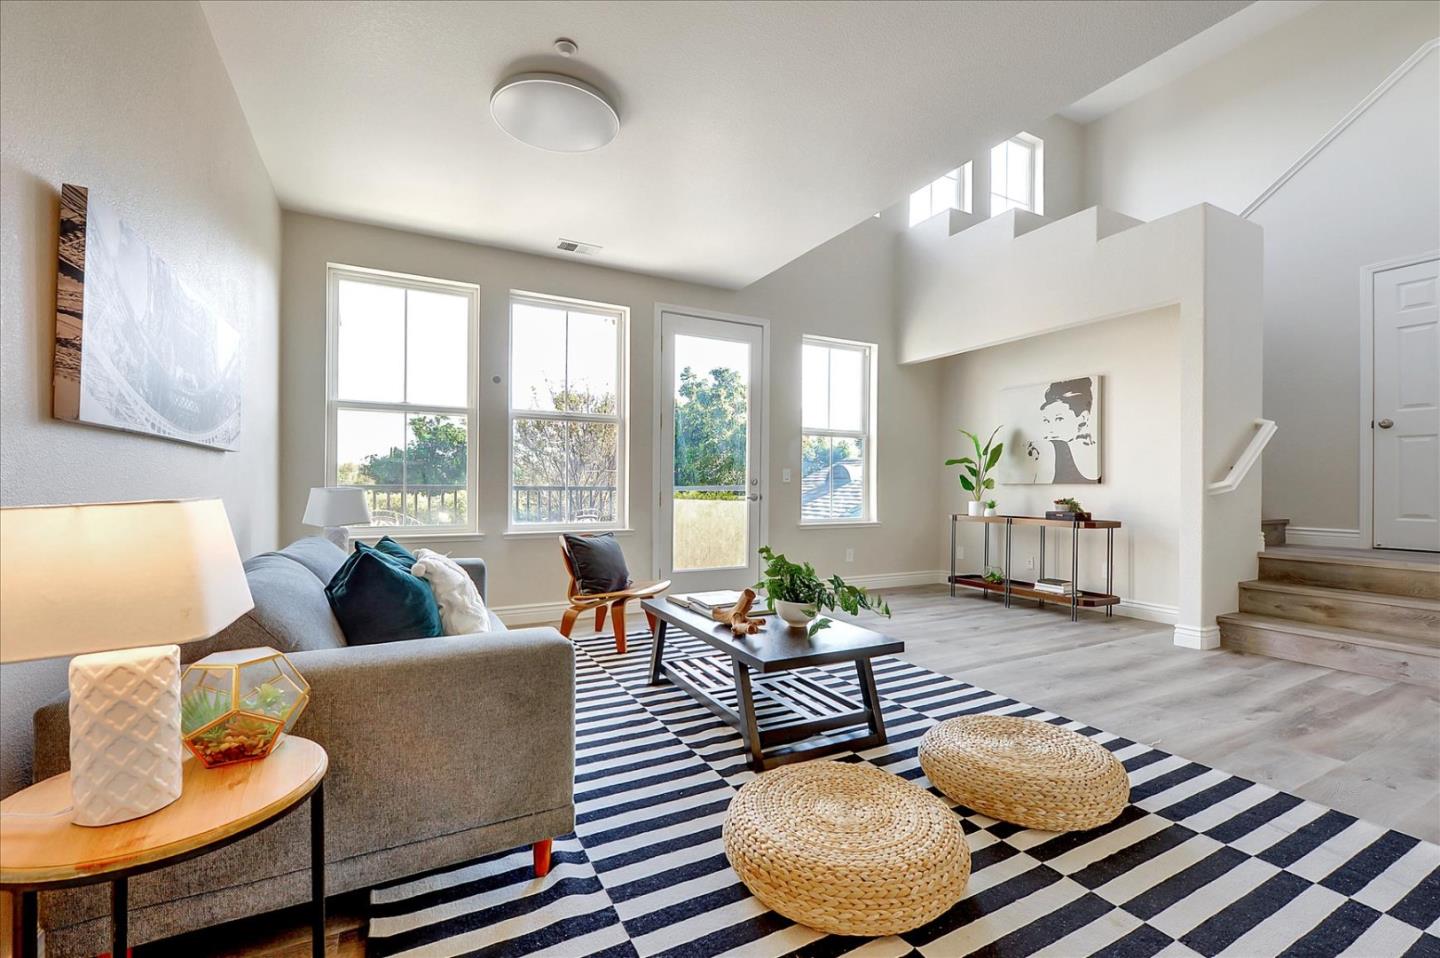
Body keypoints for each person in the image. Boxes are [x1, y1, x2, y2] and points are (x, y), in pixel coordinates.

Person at [1023, 378, 1099, 483]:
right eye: (1046, 421)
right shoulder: (1047, 449)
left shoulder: (1093, 453)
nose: (1050, 430)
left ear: (1083, 418)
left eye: (1059, 419)